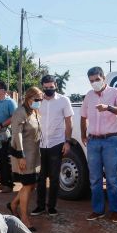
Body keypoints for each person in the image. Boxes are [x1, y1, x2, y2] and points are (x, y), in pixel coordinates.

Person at [80, 66, 117, 223]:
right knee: (94, 178)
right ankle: (98, 210)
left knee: (112, 178)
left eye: (97, 80)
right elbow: (83, 116)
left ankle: (115, 210)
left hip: (111, 141)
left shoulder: (116, 93)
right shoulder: (89, 96)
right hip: (93, 141)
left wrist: (109, 107)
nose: (94, 83)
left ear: (104, 78)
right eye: (91, 81)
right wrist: (83, 134)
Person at [32, 74, 73, 217]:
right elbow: (31, 117)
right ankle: (40, 206)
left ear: (56, 85)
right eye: (46, 87)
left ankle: (52, 207)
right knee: (41, 177)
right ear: (42, 86)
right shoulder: (37, 101)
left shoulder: (63, 100)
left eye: (52, 86)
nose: (49, 89)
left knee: (54, 177)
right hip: (41, 143)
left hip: (57, 143)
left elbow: (68, 122)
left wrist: (67, 141)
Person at [8, 87, 43, 231]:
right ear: (29, 98)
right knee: (28, 185)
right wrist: (21, 155)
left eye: (41, 100)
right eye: (37, 99)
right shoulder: (20, 112)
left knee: (31, 185)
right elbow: (17, 135)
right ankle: (24, 218)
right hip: (24, 155)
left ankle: (13, 204)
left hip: (34, 155)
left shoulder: (34, 112)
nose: (39, 102)